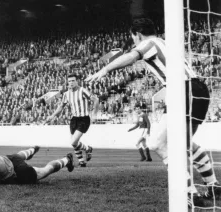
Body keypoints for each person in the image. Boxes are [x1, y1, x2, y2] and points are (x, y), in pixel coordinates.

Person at [85, 18, 220, 206]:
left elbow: (132, 56)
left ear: (137, 34)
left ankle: (189, 193)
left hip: (184, 90)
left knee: (158, 143)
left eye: (133, 38)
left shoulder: (149, 42)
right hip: (197, 89)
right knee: (185, 143)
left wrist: (105, 69)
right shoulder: (164, 43)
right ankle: (213, 187)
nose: (133, 42)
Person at [0, 139, 74, 185]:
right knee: (18, 156)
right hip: (8, 159)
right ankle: (31, 150)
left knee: (44, 171)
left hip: (16, 172)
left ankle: (67, 159)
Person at [46, 73, 99, 167]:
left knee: (73, 142)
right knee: (74, 143)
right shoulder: (66, 94)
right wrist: (52, 116)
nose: (71, 83)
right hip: (74, 119)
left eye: (73, 80)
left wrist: (94, 114)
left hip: (84, 119)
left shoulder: (82, 90)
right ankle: (82, 161)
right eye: (69, 81)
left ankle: (88, 149)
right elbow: (61, 107)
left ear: (77, 81)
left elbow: (96, 100)